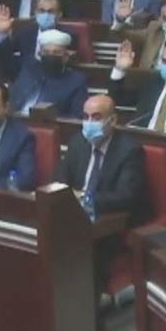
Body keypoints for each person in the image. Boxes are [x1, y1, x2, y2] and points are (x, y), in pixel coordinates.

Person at [55, 93, 148, 304]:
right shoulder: (78, 143)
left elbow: (127, 196)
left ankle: (88, 311)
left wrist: (86, 198)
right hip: (77, 215)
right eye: (85, 117)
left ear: (112, 120)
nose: (89, 123)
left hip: (115, 222)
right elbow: (59, 178)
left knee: (80, 245)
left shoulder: (129, 150)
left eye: (96, 117)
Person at [10, 29, 88, 118]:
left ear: (66, 56)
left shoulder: (76, 81)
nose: (50, 56)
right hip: (16, 119)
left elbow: (76, 116)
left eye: (56, 52)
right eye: (46, 52)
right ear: (39, 54)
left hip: (47, 123)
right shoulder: (28, 70)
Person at [0, 0, 61, 80]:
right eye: (42, 11)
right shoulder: (24, 34)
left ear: (59, 15)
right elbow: (2, 58)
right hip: (26, 80)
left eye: (51, 11)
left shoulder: (68, 37)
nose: (46, 15)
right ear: (35, 13)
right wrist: (1, 33)